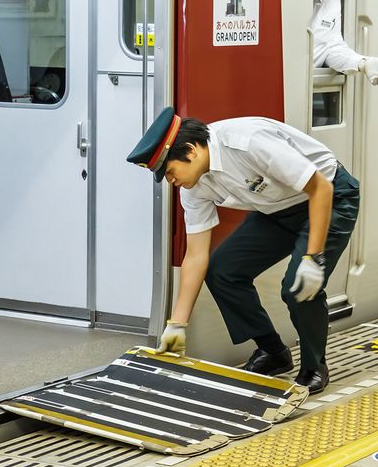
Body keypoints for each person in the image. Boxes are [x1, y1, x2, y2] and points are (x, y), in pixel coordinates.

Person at [127, 109, 360, 394]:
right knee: (222, 270)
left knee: (297, 288)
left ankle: (314, 367)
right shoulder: (192, 186)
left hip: (330, 196)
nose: (171, 181)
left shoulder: (248, 143)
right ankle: (272, 351)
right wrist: (177, 324)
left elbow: (320, 188)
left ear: (191, 150)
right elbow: (196, 256)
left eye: (170, 172)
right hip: (276, 210)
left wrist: (312, 258)